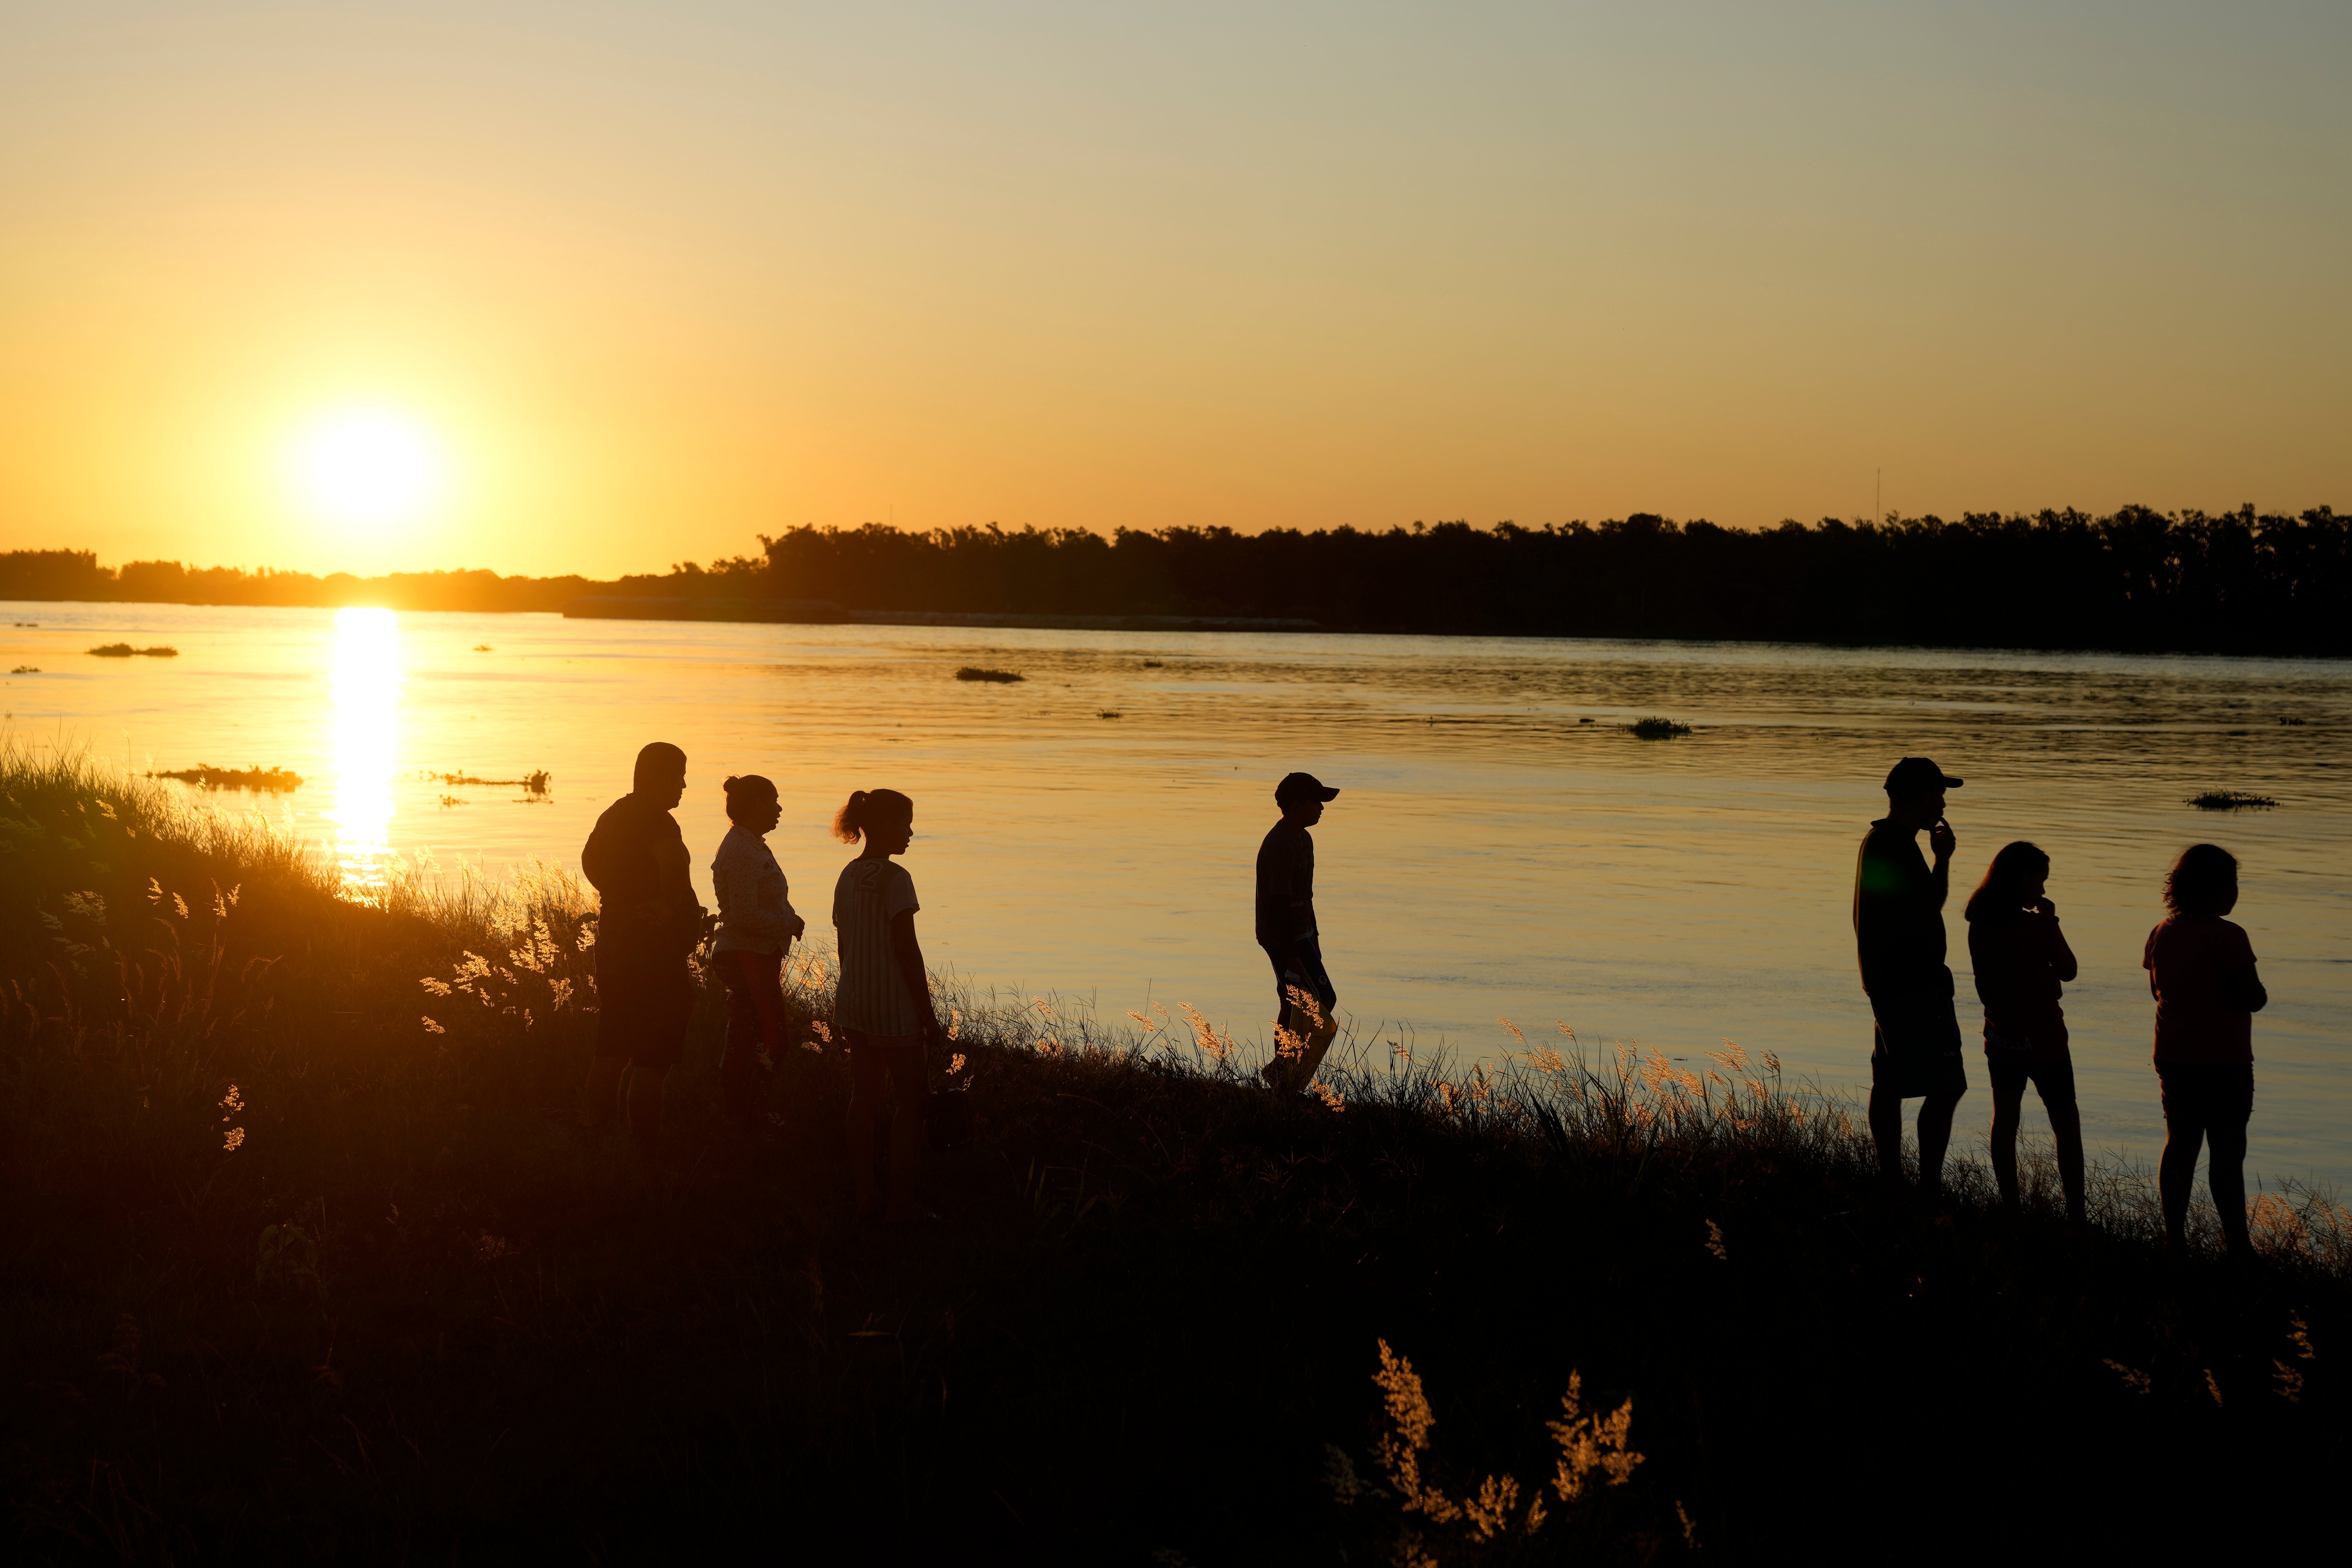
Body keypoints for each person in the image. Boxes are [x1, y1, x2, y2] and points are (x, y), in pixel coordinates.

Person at [1852, 756, 1968, 1201]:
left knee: (1890, 1083)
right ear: (1922, 795)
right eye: (1938, 793)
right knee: (1946, 1085)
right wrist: (1943, 861)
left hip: (1887, 982)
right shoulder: (1896, 844)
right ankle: (1926, 1188)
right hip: (1913, 984)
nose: (1941, 801)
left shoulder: (1880, 840)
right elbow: (1928, 905)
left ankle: (1893, 1182)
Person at [580, 742, 703, 1156]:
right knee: (652, 1060)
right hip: (652, 955)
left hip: (613, 944)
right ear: (660, 777)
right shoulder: (659, 821)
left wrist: (617, 894)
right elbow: (673, 860)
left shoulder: (614, 813)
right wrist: (670, 907)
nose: (684, 786)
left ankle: (598, 1143)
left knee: (611, 1049)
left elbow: (588, 858)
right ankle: (645, 1153)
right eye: (680, 776)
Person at [2145, 844, 2267, 1260]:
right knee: (2227, 1152)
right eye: (2231, 882)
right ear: (2211, 888)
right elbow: (2253, 997)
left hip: (2174, 1058)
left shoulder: (2161, 930)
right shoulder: (2229, 935)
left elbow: (2157, 991)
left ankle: (2173, 1239)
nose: (2236, 890)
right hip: (2223, 1061)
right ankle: (2237, 1246)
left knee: (2179, 1144)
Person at [831, 788, 947, 1224]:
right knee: (912, 1101)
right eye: (904, 823)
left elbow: (845, 944)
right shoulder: (897, 878)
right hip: (893, 1007)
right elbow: (907, 950)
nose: (911, 832)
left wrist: (854, 987)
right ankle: (901, 1203)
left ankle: (866, 1193)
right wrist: (927, 1013)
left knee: (865, 1098)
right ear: (882, 826)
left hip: (855, 1003)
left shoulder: (847, 874)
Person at [1964, 841, 2084, 1224]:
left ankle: (2011, 1210)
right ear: (2024, 878)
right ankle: (2077, 1217)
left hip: (2001, 1038)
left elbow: (1998, 976)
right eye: (2041, 881)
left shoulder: (1978, 923)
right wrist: (2051, 921)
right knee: (2066, 1126)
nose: (2044, 891)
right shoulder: (2036, 926)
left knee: (2005, 1122)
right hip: (2045, 1040)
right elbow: (2068, 969)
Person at [711, 774, 805, 1129]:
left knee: (752, 1035)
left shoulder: (752, 844)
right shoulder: (740, 849)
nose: (779, 808)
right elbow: (744, 914)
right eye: (774, 800)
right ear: (756, 805)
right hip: (746, 953)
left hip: (757, 954)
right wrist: (789, 924)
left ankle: (743, 1116)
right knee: (772, 1039)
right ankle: (747, 1117)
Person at [1256, 771, 1342, 1093]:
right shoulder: (1280, 845)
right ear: (1296, 805)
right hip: (1281, 936)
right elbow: (1278, 905)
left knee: (1309, 1001)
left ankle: (1283, 1074)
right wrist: (1291, 956)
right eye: (1315, 802)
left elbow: (1305, 896)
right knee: (1310, 1000)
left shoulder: (1304, 840)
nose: (1321, 808)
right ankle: (1283, 1075)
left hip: (1303, 933)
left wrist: (1314, 939)